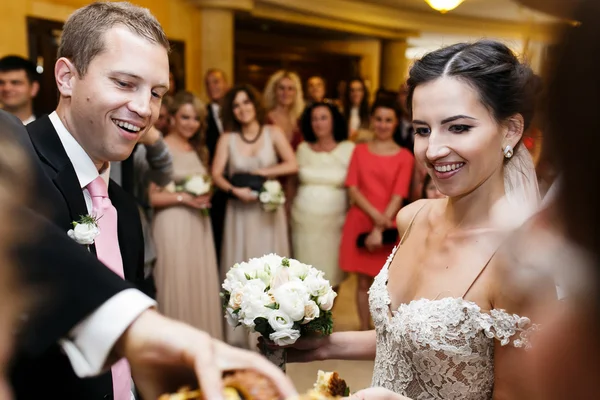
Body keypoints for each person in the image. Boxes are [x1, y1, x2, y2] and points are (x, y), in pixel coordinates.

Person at [13, 3, 294, 399]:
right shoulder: (15, 156)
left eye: (156, 93)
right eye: (125, 83)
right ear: (66, 77)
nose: (146, 109)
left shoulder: (125, 211)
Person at [284, 40, 551, 400]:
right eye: (422, 130)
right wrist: (322, 346)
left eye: (457, 128)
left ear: (511, 130)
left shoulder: (522, 262)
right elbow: (408, 339)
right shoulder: (412, 216)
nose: (433, 149)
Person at [211, 84, 297, 347]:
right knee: (241, 266)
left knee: (270, 270)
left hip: (268, 214)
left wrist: (264, 173)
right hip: (240, 213)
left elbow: (292, 164)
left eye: (246, 102)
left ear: (255, 105)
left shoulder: (273, 133)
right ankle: (240, 335)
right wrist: (234, 190)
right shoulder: (228, 138)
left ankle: (275, 328)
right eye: (236, 105)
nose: (242, 109)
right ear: (231, 111)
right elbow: (216, 174)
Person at [150, 91, 222, 338]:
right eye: (185, 117)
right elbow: (150, 196)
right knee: (177, 282)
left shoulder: (198, 149)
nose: (191, 124)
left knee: (196, 284)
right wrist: (184, 198)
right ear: (172, 118)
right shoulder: (159, 147)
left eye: (196, 119)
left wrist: (204, 195)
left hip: (198, 224)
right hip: (172, 223)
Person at [339, 99, 414, 331]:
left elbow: (399, 194)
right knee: (362, 282)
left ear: (395, 123)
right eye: (378, 119)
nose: (382, 124)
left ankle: (382, 331)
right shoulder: (359, 151)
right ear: (372, 121)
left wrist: (380, 228)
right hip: (362, 219)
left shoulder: (405, 156)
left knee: (387, 283)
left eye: (388, 120)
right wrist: (374, 221)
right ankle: (363, 329)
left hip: (390, 223)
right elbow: (352, 187)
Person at [291, 102, 354, 291]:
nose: (318, 123)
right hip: (303, 222)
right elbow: (293, 182)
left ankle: (327, 318)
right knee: (304, 274)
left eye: (323, 118)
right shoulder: (302, 148)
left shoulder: (349, 148)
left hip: (335, 223)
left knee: (332, 274)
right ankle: (309, 318)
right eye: (314, 119)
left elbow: (355, 185)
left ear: (334, 121)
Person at [204, 68, 230, 265]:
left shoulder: (236, 112)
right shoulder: (203, 115)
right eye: (209, 83)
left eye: (217, 81)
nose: (214, 86)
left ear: (226, 84)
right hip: (214, 182)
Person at [0, 55, 40, 124]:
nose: (7, 88)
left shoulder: (50, 128)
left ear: (34, 88)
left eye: (15, 82)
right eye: (1, 83)